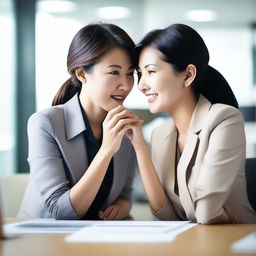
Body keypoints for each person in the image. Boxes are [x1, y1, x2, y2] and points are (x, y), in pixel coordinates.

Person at [127, 24, 256, 224]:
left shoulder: (224, 119)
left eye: (151, 72)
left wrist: (211, 214)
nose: (141, 85)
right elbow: (165, 215)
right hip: (193, 242)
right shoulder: (160, 134)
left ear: (188, 75)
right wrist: (140, 148)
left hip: (234, 242)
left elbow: (207, 213)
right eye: (139, 73)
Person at [18, 23, 141, 220]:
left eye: (130, 73)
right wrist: (106, 150)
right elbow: (60, 211)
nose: (126, 85)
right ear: (82, 74)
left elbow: (124, 196)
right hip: (45, 241)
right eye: (114, 72)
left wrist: (122, 206)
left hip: (98, 239)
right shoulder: (44, 123)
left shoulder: (124, 125)